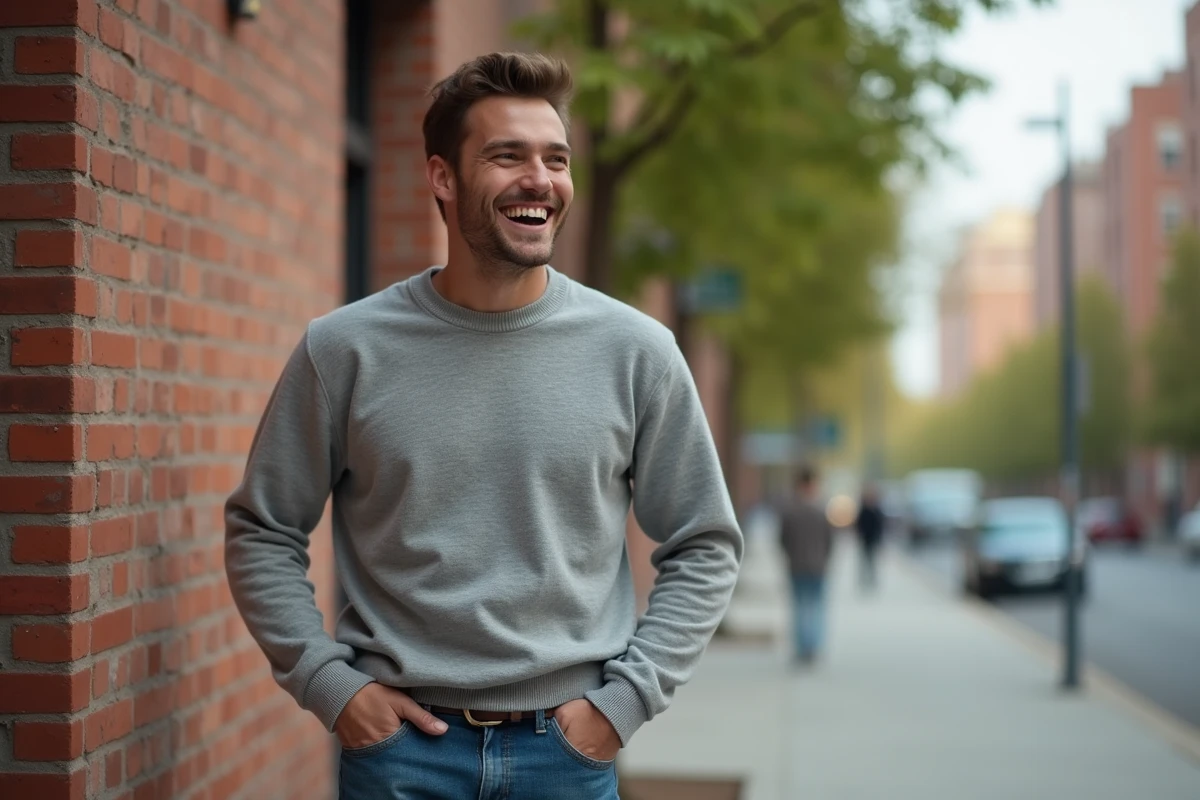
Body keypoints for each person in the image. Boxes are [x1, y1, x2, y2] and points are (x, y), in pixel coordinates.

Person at [223, 52, 743, 800]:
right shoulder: (344, 350)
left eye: (556, 159)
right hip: (399, 754)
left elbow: (705, 542)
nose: (541, 179)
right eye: (508, 156)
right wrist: (331, 687)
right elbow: (262, 529)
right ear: (443, 178)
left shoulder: (636, 351)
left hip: (566, 756)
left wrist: (620, 707)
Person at [778, 466, 834, 665]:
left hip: (797, 566)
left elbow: (782, 540)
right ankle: (813, 647)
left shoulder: (790, 511)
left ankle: (803, 648)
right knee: (816, 607)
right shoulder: (822, 510)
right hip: (818, 566)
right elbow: (830, 541)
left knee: (800, 607)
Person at [855, 485, 886, 592]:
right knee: (864, 561)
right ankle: (864, 581)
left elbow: (880, 526)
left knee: (872, 561)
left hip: (873, 540)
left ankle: (872, 580)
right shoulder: (863, 510)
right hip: (864, 540)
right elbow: (858, 525)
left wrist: (879, 540)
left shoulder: (876, 510)